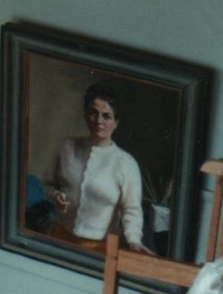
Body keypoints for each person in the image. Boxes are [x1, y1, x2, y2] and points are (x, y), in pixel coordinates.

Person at [42, 84, 148, 253]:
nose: (99, 121)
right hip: (59, 236)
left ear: (116, 122)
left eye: (106, 116)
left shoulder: (126, 163)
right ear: (85, 115)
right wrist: (55, 196)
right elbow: (46, 185)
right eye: (93, 113)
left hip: (100, 248)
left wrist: (134, 240)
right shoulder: (66, 147)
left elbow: (132, 209)